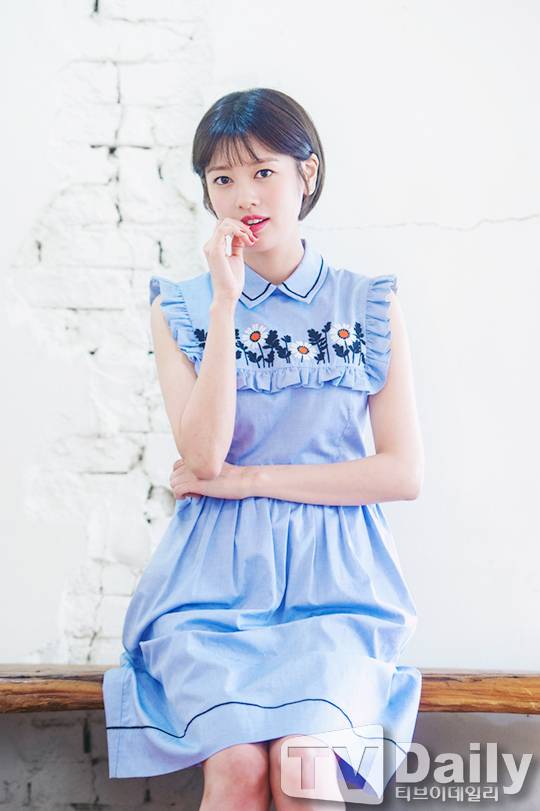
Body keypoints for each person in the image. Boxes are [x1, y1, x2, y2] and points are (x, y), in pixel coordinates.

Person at [102, 87, 425, 809]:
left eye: (263, 172)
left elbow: (402, 472)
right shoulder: (181, 306)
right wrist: (225, 302)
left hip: (336, 589)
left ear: (306, 173)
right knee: (238, 770)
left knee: (305, 768)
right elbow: (204, 457)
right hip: (212, 591)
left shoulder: (368, 303)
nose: (243, 195)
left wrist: (254, 480)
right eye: (222, 178)